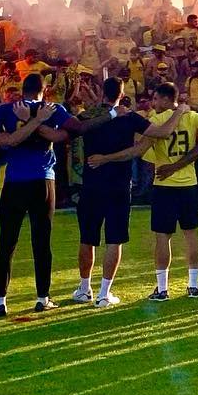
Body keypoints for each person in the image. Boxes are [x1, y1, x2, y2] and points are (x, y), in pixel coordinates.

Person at [75, 77, 183, 305]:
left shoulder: (89, 115)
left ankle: (84, 288)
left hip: (91, 183)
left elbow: (78, 127)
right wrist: (179, 112)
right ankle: (104, 293)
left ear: (101, 92)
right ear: (122, 93)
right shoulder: (130, 117)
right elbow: (163, 133)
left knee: (87, 237)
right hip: (119, 184)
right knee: (114, 239)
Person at [0, 73, 71, 314]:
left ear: (21, 89)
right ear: (44, 90)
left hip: (14, 181)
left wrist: (27, 124)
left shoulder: (4, 111)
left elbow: (3, 140)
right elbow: (62, 136)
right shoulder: (52, 109)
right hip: (43, 180)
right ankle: (42, 297)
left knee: (7, 242)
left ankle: (0, 301)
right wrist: (37, 122)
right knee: (42, 241)